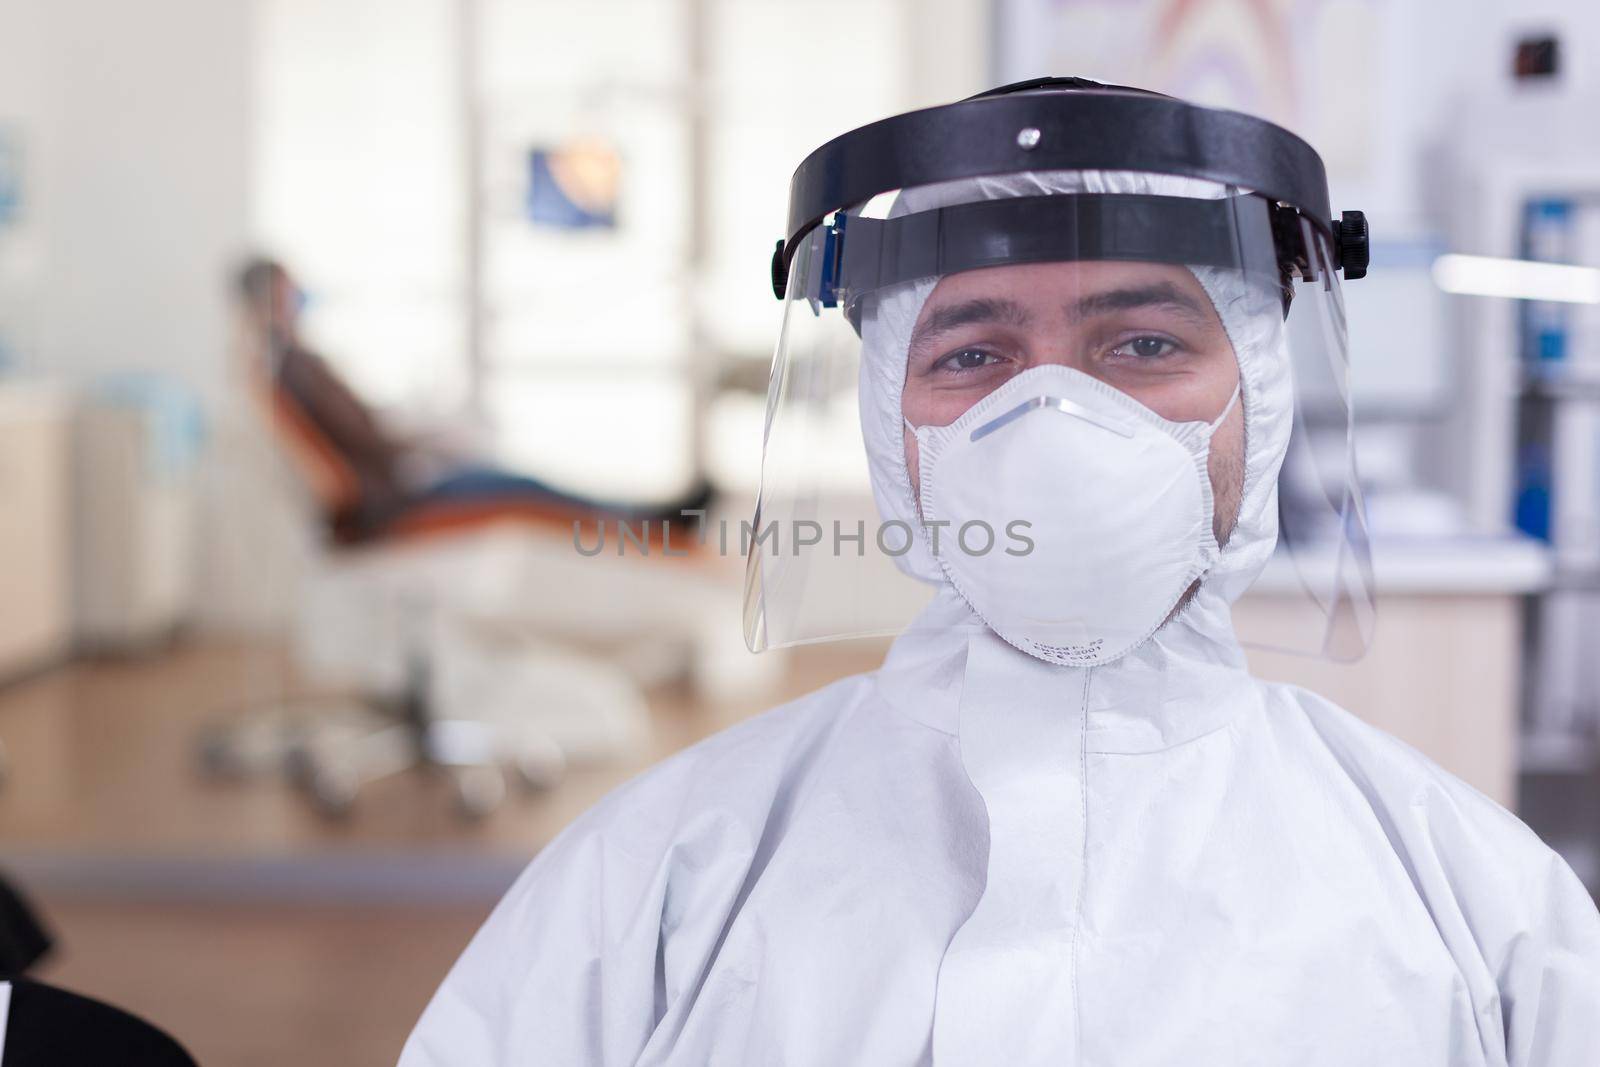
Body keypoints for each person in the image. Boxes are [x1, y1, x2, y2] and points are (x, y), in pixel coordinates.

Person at [400, 78, 1600, 1065]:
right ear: (890, 425)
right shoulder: (664, 879)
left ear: (1260, 395)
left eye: (1141, 343)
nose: (1055, 421)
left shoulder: (1480, 909)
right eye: (974, 352)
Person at [235, 257, 711, 543]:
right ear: (272, 298)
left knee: (513, 479)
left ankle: (645, 517)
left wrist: (419, 437)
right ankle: (648, 523)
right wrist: (420, 444)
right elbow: (361, 448)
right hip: (398, 501)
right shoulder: (294, 368)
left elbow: (361, 432)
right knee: (518, 487)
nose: (299, 295)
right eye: (289, 289)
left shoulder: (290, 366)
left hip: (399, 484)